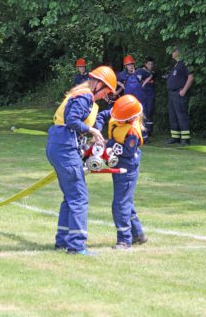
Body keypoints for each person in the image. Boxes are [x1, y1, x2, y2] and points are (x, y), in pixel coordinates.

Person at [47, 66, 116, 256]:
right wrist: (92, 131)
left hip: (59, 145)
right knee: (79, 197)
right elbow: (72, 120)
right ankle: (76, 245)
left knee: (70, 197)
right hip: (65, 147)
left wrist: (95, 128)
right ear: (98, 85)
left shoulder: (84, 97)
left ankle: (62, 241)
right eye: (106, 91)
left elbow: (96, 118)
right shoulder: (85, 96)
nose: (105, 95)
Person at [95, 95, 148, 249]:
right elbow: (102, 115)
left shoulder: (132, 132)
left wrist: (109, 145)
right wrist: (98, 132)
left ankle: (125, 240)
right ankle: (138, 234)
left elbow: (127, 152)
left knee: (120, 204)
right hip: (119, 164)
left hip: (127, 168)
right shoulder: (119, 114)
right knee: (126, 201)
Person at [166, 47, 194, 145]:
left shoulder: (184, 64)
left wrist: (184, 90)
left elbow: (190, 77)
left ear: (179, 52)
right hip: (172, 94)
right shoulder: (176, 65)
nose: (172, 52)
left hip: (179, 94)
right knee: (173, 116)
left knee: (181, 116)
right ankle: (175, 137)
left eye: (174, 51)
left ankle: (185, 139)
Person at [139, 57, 156, 141]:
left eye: (152, 64)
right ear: (145, 64)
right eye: (149, 64)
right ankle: (144, 130)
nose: (150, 66)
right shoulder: (141, 72)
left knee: (150, 111)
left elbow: (151, 80)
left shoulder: (153, 73)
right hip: (143, 94)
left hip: (151, 94)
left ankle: (150, 130)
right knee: (144, 112)